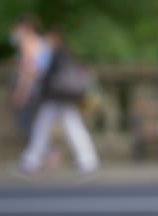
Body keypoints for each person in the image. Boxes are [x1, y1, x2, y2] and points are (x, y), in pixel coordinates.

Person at [19, 28, 99, 175]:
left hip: (56, 97)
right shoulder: (65, 53)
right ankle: (87, 160)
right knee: (70, 126)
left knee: (45, 127)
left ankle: (31, 160)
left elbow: (46, 75)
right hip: (62, 97)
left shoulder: (56, 54)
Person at [9, 15, 51, 140]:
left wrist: (21, 93)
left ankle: (49, 151)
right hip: (40, 86)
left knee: (28, 119)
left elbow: (29, 71)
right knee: (35, 120)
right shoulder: (40, 42)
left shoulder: (29, 43)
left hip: (33, 87)